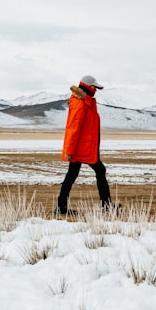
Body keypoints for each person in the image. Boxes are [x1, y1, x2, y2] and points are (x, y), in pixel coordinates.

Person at [57, 74, 118, 215]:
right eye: (94, 87)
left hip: (85, 147)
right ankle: (106, 206)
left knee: (72, 174)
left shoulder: (86, 102)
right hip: (81, 148)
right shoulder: (80, 103)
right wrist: (70, 150)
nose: (95, 90)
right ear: (87, 87)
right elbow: (74, 127)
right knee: (99, 170)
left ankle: (61, 206)